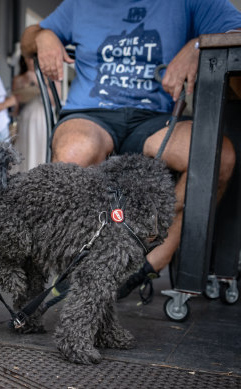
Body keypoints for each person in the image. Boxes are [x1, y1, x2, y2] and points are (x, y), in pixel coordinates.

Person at [20, 0, 241, 303]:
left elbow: (236, 33)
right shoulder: (80, 4)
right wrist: (43, 35)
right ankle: (76, 264)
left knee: (220, 157)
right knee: (75, 151)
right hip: (91, 113)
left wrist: (198, 45)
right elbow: (27, 38)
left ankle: (148, 260)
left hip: (154, 119)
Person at [11, 55, 58, 171]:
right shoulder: (19, 78)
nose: (30, 61)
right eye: (28, 58)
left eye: (32, 58)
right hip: (26, 118)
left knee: (42, 148)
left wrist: (38, 81)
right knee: (26, 149)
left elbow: (54, 101)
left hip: (43, 118)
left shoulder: (50, 76)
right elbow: (15, 104)